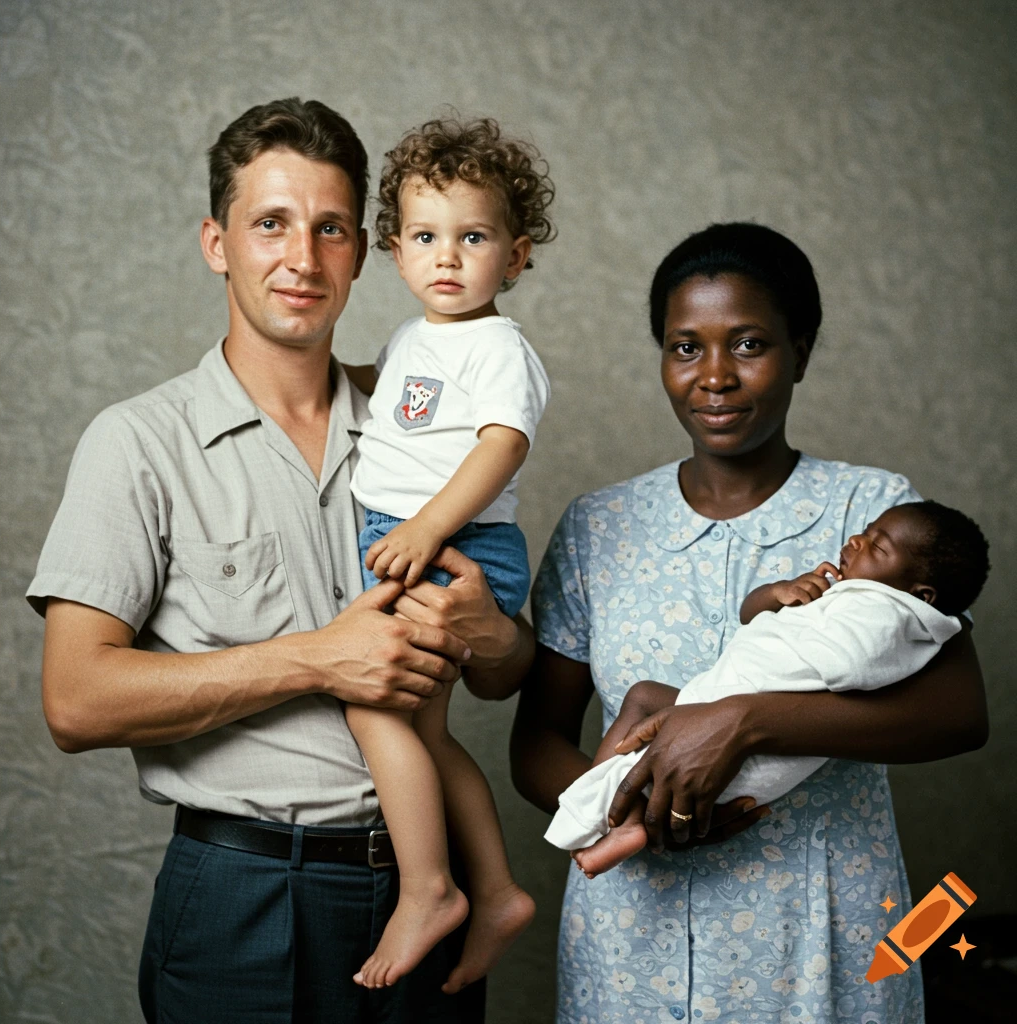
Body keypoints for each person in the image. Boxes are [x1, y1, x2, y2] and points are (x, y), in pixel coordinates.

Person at [27, 97, 534, 1024]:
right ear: (218, 243)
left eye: (330, 228)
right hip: (248, 895)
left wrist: (492, 632)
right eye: (271, 224)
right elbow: (74, 700)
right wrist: (315, 658)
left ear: (363, 251)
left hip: (432, 884)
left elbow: (504, 678)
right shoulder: (139, 442)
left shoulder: (421, 418)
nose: (302, 258)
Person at [510, 222, 989, 1024]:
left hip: (817, 940)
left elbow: (959, 713)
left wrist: (742, 721)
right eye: (685, 347)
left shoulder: (875, 513)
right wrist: (636, 806)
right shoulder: (598, 527)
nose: (716, 377)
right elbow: (534, 746)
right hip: (631, 950)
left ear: (801, 352)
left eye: (750, 344)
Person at [344, 116, 553, 991]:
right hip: (405, 540)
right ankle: (497, 889)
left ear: (516, 255)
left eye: (473, 238)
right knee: (422, 735)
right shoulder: (411, 339)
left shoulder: (501, 348)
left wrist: (429, 528)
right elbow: (386, 399)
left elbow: (501, 447)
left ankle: (430, 888)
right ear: (395, 250)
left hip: (452, 544)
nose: (448, 257)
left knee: (375, 709)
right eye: (427, 237)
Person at [544, 500, 989, 877]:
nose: (857, 542)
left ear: (921, 593)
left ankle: (614, 816)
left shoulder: (888, 615)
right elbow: (749, 615)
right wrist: (781, 594)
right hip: (714, 700)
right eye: (865, 532)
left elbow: (852, 666)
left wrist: (745, 714)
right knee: (643, 695)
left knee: (646, 721)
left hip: (759, 744)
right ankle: (610, 807)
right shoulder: (592, 518)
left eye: (877, 545)